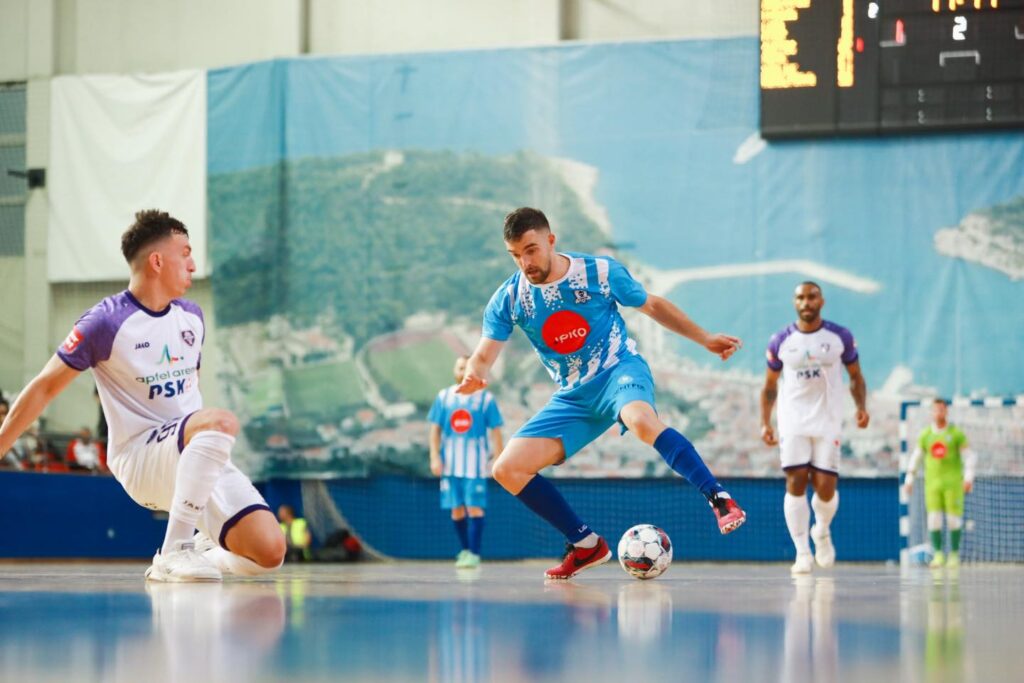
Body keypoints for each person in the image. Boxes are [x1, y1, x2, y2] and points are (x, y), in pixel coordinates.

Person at [457, 207, 746, 580]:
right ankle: (585, 545)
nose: (525, 263)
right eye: (515, 255)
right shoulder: (510, 297)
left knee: (641, 421)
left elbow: (653, 305)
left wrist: (705, 338)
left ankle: (719, 498)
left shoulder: (599, 272)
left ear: (550, 240)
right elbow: (483, 356)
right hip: (574, 397)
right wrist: (473, 375)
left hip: (619, 371)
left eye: (531, 250)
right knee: (507, 469)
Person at [0, 209, 285, 582]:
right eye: (185, 253)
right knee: (221, 421)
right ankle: (174, 551)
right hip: (140, 456)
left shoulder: (192, 317)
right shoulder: (104, 322)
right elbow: (43, 388)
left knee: (270, 551)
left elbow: (189, 394)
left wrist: (201, 442)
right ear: (156, 260)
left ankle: (205, 550)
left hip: (190, 453)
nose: (193, 265)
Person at [761, 281, 869, 575]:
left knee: (825, 488)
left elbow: (856, 376)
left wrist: (861, 407)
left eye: (811, 297)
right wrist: (765, 422)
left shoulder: (839, 337)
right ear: (794, 303)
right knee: (795, 481)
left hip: (828, 419)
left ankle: (820, 530)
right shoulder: (780, 340)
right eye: (800, 297)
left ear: (821, 301)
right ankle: (802, 553)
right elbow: (770, 386)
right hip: (792, 420)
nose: (806, 302)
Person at [428, 355, 505, 568]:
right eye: (460, 367)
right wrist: (434, 456)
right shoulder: (444, 397)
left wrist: (499, 458)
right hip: (450, 465)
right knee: (456, 509)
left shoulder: (486, 399)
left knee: (474, 508)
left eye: (466, 368)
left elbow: (496, 430)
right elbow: (434, 430)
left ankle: (475, 553)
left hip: (475, 465)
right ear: (455, 370)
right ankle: (464, 550)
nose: (463, 372)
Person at [903, 398, 975, 568]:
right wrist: (909, 479)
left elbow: (969, 456)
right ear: (931, 412)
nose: (938, 413)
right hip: (932, 485)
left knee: (953, 520)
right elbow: (916, 458)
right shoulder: (926, 435)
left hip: (953, 484)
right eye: (935, 410)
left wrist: (968, 478)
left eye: (941, 410)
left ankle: (954, 555)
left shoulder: (956, 434)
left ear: (946, 411)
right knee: (934, 519)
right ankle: (938, 555)